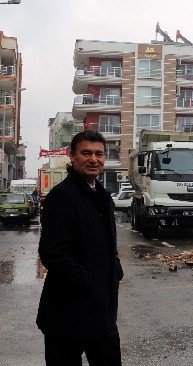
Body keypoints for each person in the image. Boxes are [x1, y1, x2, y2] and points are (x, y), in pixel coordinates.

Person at [37, 130, 123, 366]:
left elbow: (107, 244)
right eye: (86, 153)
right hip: (66, 317)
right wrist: (89, 280)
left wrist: (115, 270)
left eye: (99, 154)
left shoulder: (102, 196)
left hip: (101, 316)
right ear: (72, 157)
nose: (93, 159)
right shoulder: (62, 197)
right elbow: (52, 254)